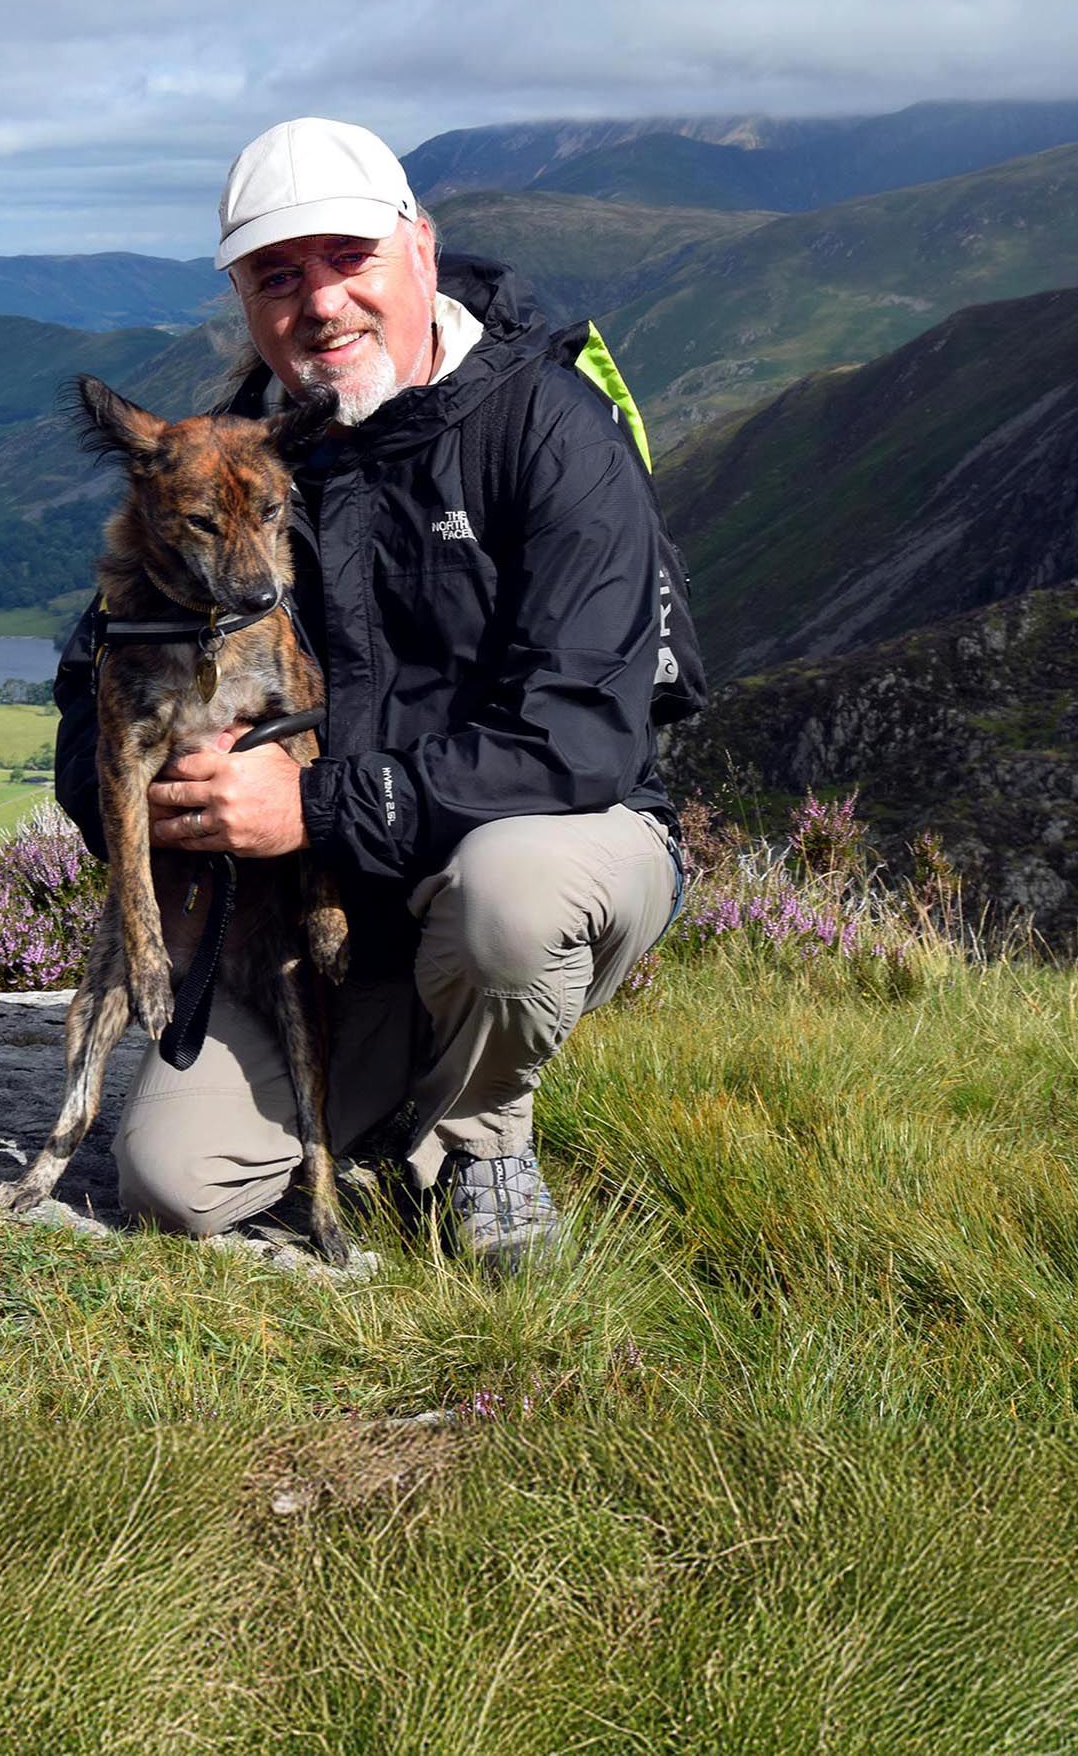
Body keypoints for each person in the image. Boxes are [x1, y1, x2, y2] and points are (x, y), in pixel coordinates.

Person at [53, 116, 683, 1269]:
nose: (320, 302)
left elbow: (582, 735)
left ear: (421, 250)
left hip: (538, 836)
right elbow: (94, 689)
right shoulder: (232, 451)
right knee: (171, 1181)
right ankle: (389, 1100)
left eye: (350, 259)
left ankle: (484, 1137)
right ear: (245, 299)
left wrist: (315, 809)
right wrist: (158, 800)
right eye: (277, 275)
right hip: (330, 902)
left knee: (511, 894)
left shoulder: (547, 429)